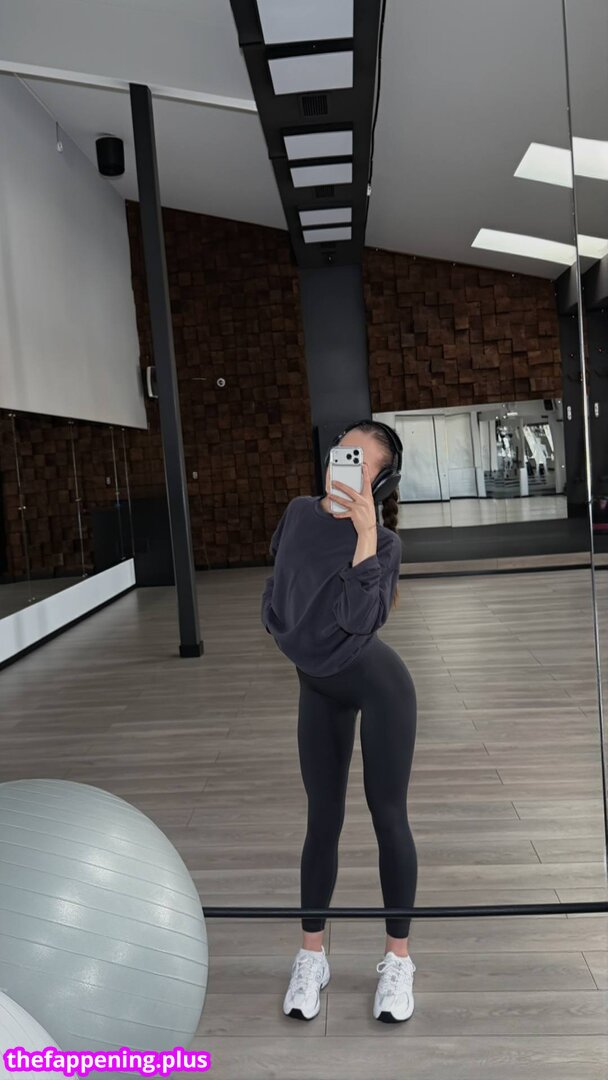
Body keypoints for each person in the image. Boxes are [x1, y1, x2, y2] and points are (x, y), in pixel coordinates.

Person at [261, 420, 418, 1024]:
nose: (341, 463)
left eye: (359, 460)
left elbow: (357, 619)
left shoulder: (385, 545)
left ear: (380, 483)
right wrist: (279, 626)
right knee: (321, 820)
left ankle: (399, 961)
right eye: (339, 451)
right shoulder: (298, 514)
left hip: (380, 689)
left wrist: (365, 534)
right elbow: (280, 582)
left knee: (387, 817)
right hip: (317, 685)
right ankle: (312, 957)